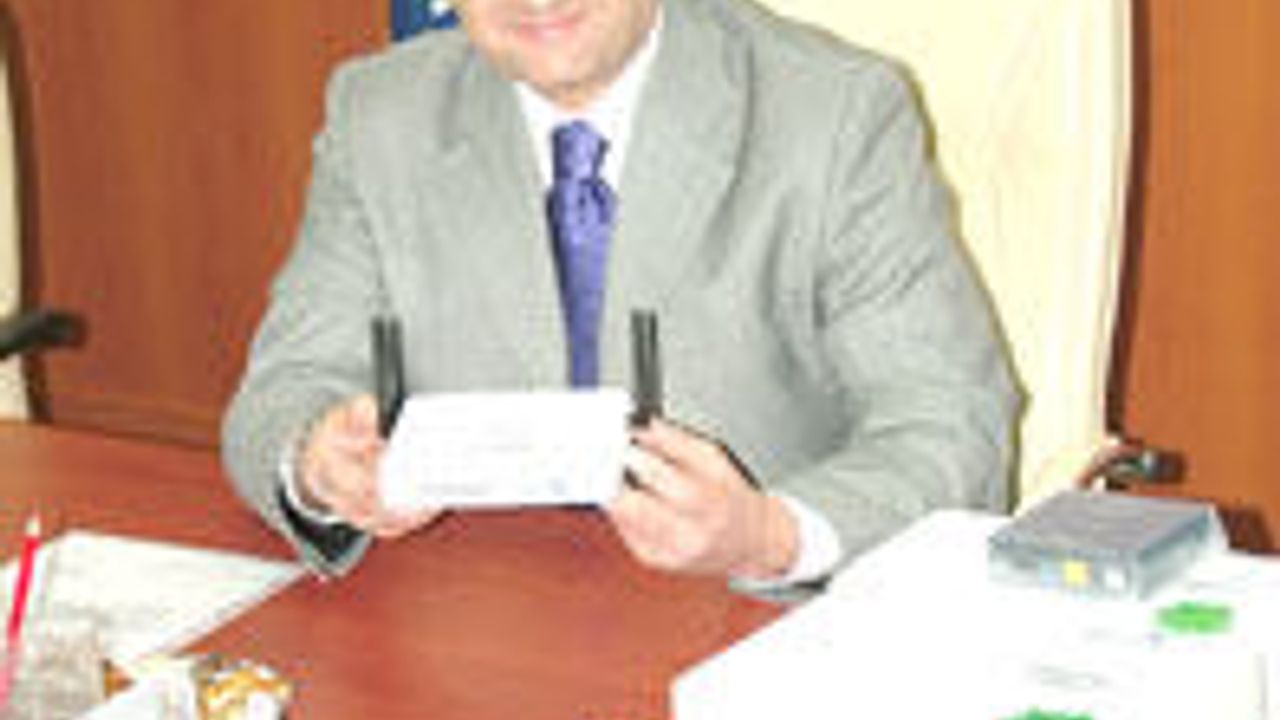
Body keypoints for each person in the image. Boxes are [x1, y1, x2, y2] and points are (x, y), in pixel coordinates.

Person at [222, 0, 1018, 600]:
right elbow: (285, 388)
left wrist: (770, 534)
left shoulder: (834, 112)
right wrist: (318, 466)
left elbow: (952, 423)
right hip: (476, 621)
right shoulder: (380, 111)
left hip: (749, 628)